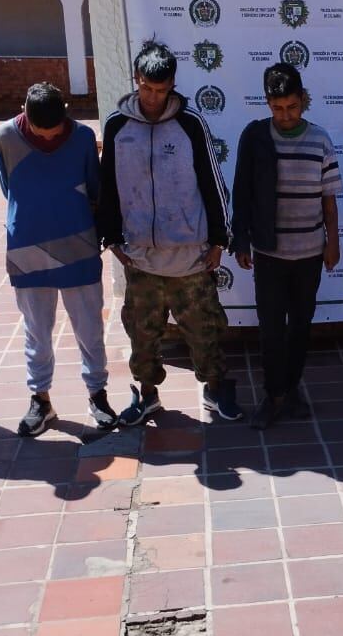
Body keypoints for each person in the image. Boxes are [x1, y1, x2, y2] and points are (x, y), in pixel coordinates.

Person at [96, 40, 242, 425]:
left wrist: (219, 241)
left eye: (161, 90)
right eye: (147, 88)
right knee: (143, 336)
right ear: (136, 80)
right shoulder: (117, 126)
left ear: (173, 84)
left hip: (190, 258)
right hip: (142, 258)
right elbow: (107, 186)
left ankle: (215, 389)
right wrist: (111, 237)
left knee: (206, 330)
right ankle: (147, 395)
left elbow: (213, 183)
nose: (154, 98)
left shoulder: (190, 124)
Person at [0, 82, 117, 437]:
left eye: (55, 128)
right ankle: (41, 400)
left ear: (66, 110)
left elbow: (95, 187)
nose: (49, 135)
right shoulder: (4, 136)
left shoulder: (81, 137)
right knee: (36, 332)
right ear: (24, 113)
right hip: (27, 248)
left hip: (79, 245)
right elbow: (9, 188)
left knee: (90, 329)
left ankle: (98, 395)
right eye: (39, 130)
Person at [231, 63, 342, 430]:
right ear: (267, 104)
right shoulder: (256, 137)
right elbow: (242, 191)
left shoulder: (321, 139)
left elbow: (329, 198)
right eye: (277, 108)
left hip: (310, 253)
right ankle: (272, 393)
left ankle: (292, 390)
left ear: (303, 101)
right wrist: (242, 239)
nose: (285, 115)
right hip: (269, 253)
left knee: (301, 326)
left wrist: (333, 242)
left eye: (291, 107)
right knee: (270, 328)